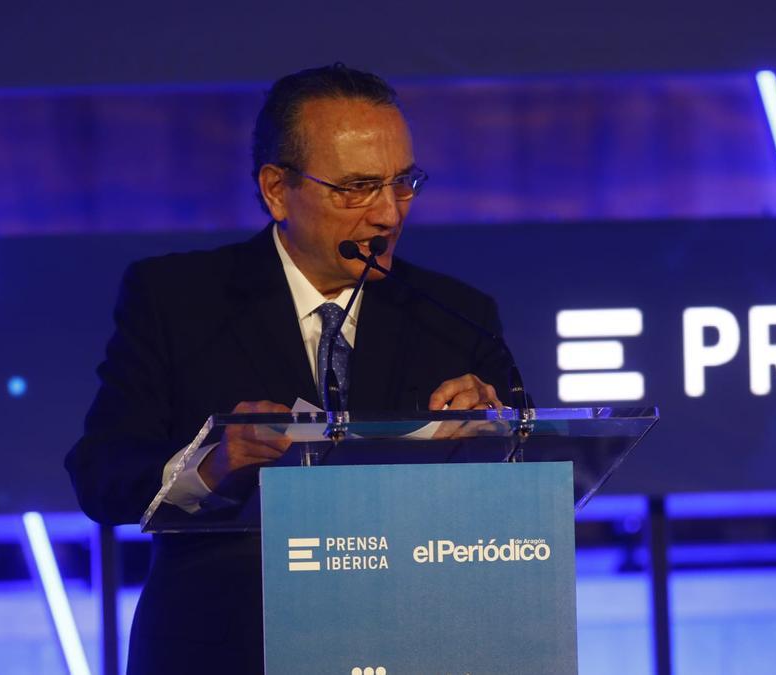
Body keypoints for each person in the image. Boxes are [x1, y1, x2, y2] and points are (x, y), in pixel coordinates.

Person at [66, 64, 516, 674]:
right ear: (277, 189)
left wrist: (496, 432)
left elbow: (534, 478)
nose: (389, 214)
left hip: (414, 643)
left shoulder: (457, 317)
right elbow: (101, 474)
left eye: (404, 182)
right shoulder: (175, 300)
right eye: (357, 187)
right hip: (225, 650)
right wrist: (209, 463)